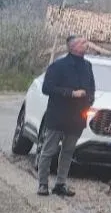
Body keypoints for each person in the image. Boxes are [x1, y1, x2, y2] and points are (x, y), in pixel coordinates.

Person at [35, 35, 94, 197]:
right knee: (49, 150)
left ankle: (60, 184)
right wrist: (71, 93)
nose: (86, 44)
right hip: (58, 115)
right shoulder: (58, 66)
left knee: (68, 152)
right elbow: (47, 88)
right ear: (73, 47)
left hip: (77, 118)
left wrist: (89, 101)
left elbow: (91, 88)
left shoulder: (88, 66)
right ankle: (43, 184)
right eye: (83, 42)